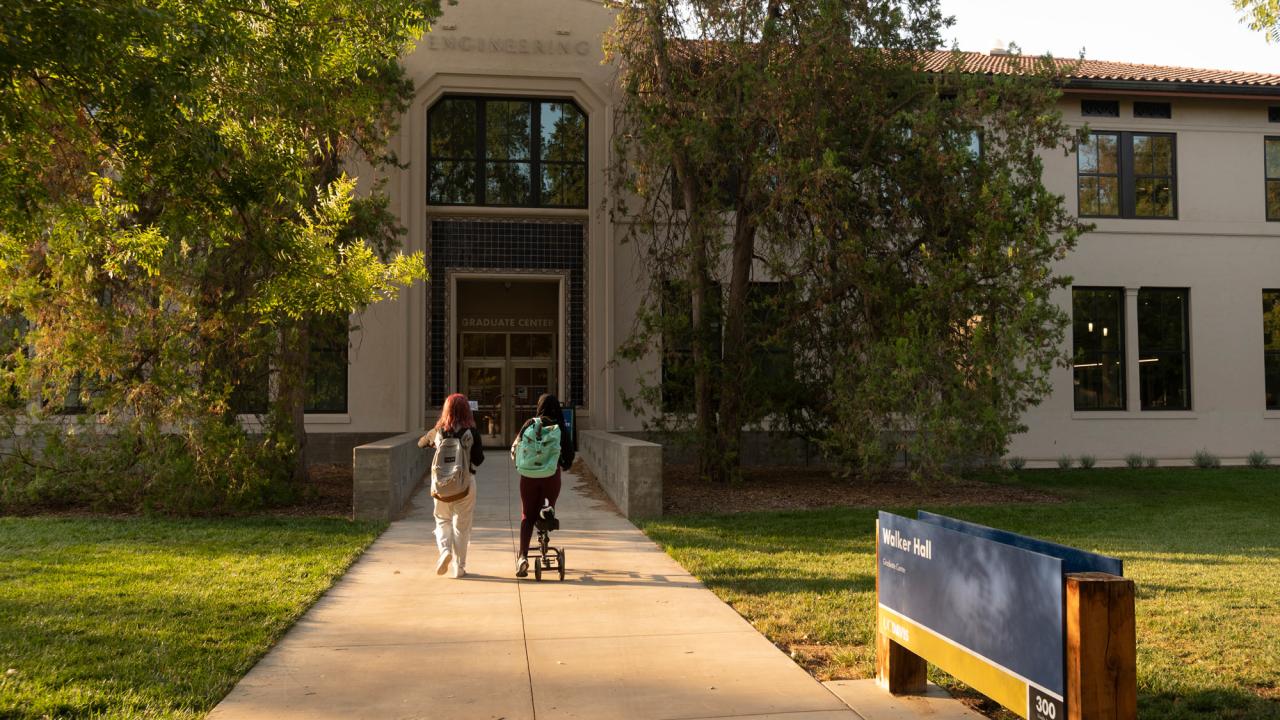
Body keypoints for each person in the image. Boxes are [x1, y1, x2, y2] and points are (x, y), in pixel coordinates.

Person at [418, 393, 485, 579]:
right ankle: (459, 567)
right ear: (467, 411)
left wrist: (436, 444)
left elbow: (420, 443)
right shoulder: (471, 432)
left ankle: (444, 551)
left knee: (442, 520)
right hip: (465, 485)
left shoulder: (438, 431)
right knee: (461, 527)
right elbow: (478, 460)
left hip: (440, 486)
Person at [511, 393, 575, 578]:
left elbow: (515, 450)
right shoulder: (559, 427)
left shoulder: (529, 424)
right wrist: (560, 462)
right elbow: (568, 459)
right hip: (551, 477)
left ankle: (523, 556)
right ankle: (546, 520)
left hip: (528, 477)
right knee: (547, 506)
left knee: (526, 515)